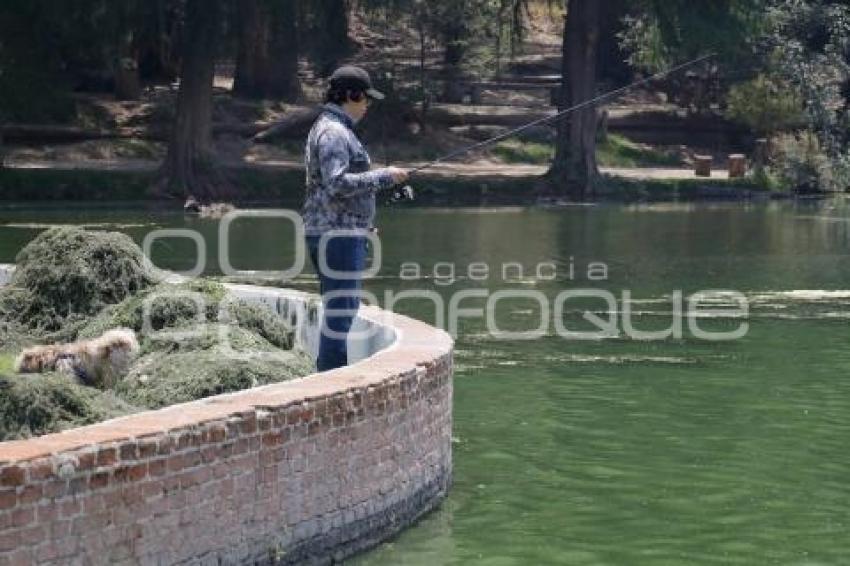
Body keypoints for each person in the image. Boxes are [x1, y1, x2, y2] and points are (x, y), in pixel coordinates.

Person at [300, 65, 407, 371]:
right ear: (350, 95)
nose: (367, 105)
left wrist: (364, 223)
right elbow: (337, 183)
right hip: (339, 237)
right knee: (341, 315)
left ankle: (327, 379)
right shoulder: (334, 132)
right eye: (364, 99)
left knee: (338, 311)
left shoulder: (329, 127)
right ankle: (331, 384)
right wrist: (384, 176)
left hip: (336, 232)